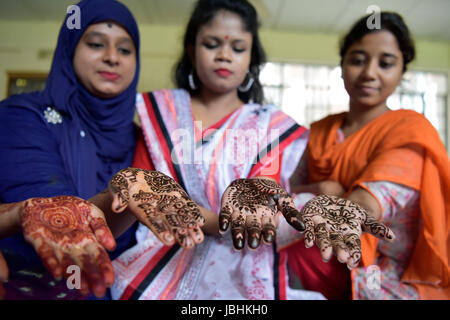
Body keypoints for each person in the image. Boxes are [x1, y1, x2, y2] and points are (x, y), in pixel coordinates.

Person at [108, 0, 324, 300]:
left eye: (238, 48)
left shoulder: (266, 124)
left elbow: (261, 208)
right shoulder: (162, 111)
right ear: (191, 49)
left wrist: (207, 217)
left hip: (241, 262)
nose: (224, 55)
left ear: (251, 57)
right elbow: (144, 192)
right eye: (211, 45)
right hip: (164, 252)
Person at [285, 12, 450, 299]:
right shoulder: (320, 131)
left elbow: (371, 202)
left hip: (391, 278)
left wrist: (342, 208)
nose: (370, 73)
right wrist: (322, 189)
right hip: (326, 258)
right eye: (358, 60)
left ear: (401, 72)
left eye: (385, 63)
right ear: (342, 66)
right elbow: (287, 190)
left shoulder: (410, 130)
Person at [0, 0, 142, 299]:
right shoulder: (21, 116)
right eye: (95, 44)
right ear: (70, 49)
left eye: (125, 49)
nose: (112, 57)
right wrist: (127, 192)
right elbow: (54, 211)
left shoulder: (143, 140)